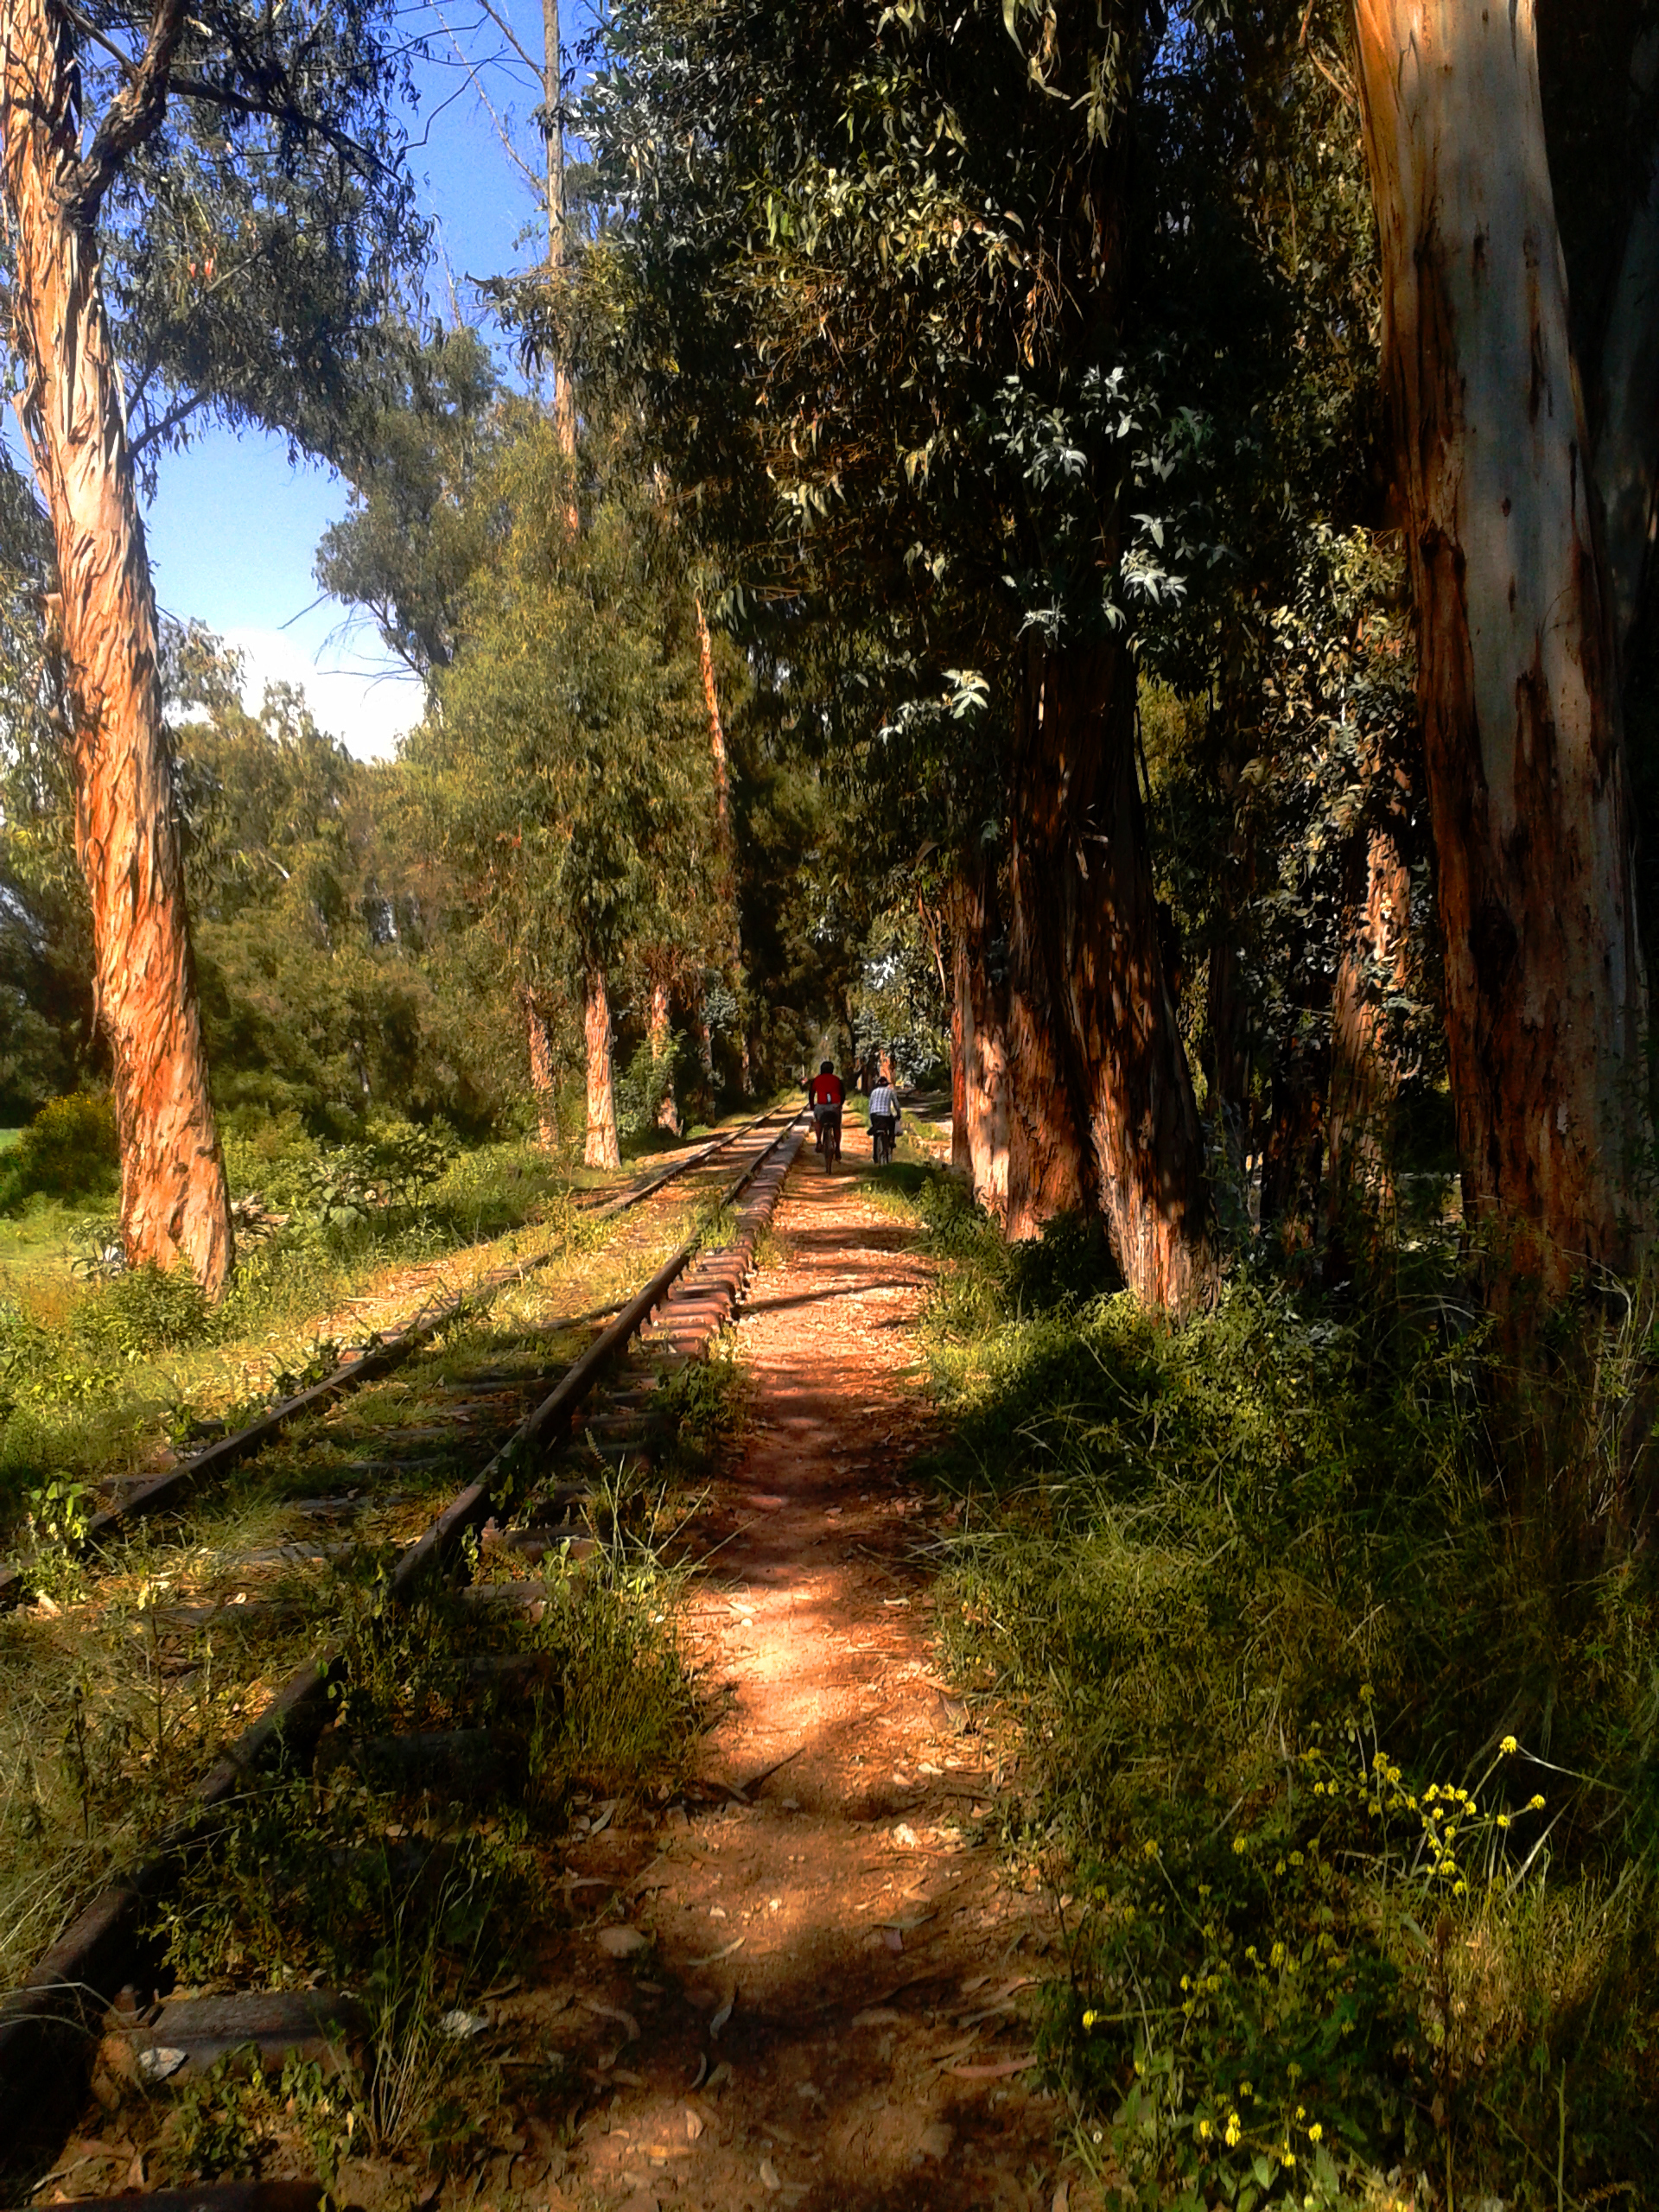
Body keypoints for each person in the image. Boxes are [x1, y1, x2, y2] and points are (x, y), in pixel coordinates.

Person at [806, 1059, 844, 1154]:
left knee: (818, 1121)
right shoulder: (837, 1079)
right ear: (832, 1070)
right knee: (836, 1126)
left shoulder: (817, 1079)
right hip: (835, 1107)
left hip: (821, 1107)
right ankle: (838, 1148)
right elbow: (843, 1094)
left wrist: (812, 1106)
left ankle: (819, 1142)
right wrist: (840, 1105)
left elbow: (811, 1094)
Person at [868, 1071, 901, 1162]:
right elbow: (896, 1105)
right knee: (892, 1123)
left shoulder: (873, 1092)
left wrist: (871, 1118)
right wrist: (898, 1114)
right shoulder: (890, 1091)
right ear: (887, 1084)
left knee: (875, 1131)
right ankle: (891, 1139)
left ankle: (875, 1157)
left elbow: (870, 1106)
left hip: (874, 1115)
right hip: (886, 1115)